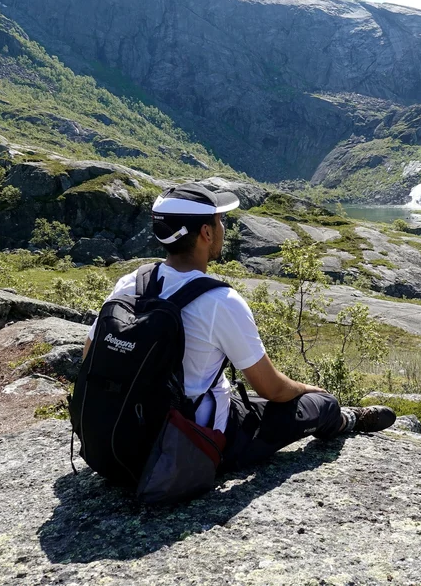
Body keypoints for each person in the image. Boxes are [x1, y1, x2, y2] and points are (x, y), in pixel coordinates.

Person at [83, 183, 396, 473]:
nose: (224, 228)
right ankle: (345, 418)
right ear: (205, 232)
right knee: (321, 404)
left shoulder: (131, 282)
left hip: (121, 436)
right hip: (190, 441)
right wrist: (307, 388)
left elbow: (88, 355)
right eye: (220, 221)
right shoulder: (220, 300)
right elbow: (270, 388)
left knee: (242, 400)